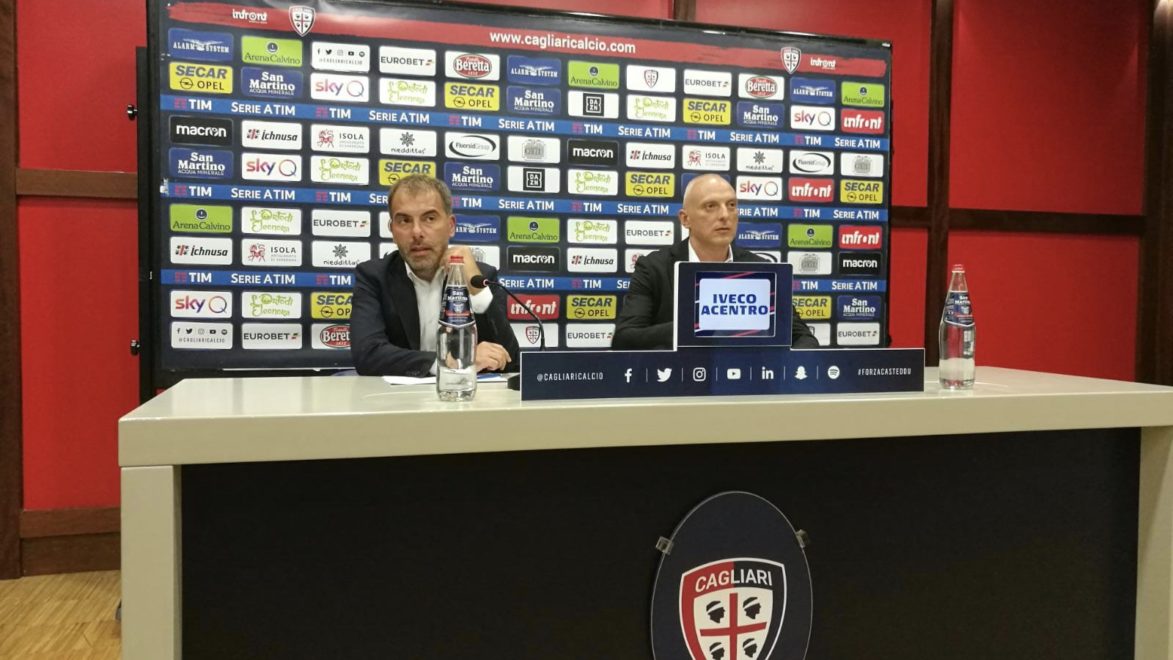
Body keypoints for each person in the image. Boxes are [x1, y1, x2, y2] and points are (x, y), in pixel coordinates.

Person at [612, 173, 819, 350]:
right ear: (685, 219)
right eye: (710, 206)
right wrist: (696, 327)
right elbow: (624, 339)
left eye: (731, 205)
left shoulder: (762, 269)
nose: (724, 215)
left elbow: (804, 338)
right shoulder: (654, 268)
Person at [350, 175, 519, 376]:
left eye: (429, 218)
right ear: (392, 230)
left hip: (462, 393)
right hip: (396, 393)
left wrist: (476, 289)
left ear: (451, 226)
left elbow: (508, 359)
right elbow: (368, 355)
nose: (417, 232)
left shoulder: (481, 275)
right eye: (404, 221)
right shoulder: (374, 277)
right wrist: (453, 362)